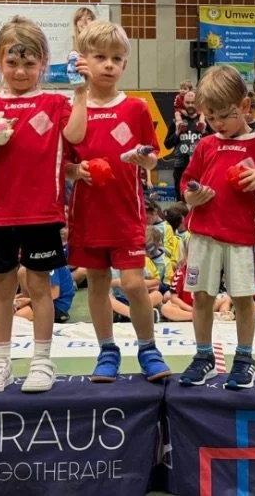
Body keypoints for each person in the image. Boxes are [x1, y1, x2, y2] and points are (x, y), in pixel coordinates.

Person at [0, 16, 86, 394]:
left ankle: (42, 361)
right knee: (3, 289)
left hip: (43, 213)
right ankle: (0, 363)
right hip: (0, 214)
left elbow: (77, 135)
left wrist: (80, 92)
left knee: (40, 286)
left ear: (43, 63)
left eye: (29, 63)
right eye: (11, 62)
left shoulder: (55, 103)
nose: (20, 70)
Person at [64, 21, 172, 383]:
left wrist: (145, 160)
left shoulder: (136, 109)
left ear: (125, 63)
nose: (109, 65)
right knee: (96, 283)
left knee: (134, 283)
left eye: (117, 58)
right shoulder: (73, 109)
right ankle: (107, 350)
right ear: (84, 61)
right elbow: (64, 164)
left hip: (126, 213)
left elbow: (152, 157)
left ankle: (148, 349)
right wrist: (76, 171)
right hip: (88, 215)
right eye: (100, 57)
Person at [178, 64, 255, 390]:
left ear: (245, 106)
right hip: (203, 235)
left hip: (241, 238)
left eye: (225, 115)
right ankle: (204, 356)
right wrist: (193, 195)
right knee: (201, 297)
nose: (219, 124)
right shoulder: (206, 145)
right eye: (211, 118)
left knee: (242, 299)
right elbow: (187, 183)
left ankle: (245, 358)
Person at [164, 90, 208, 201]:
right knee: (181, 200)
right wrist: (177, 132)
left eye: (193, 102)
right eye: (187, 102)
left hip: (200, 168)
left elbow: (213, 144)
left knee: (201, 199)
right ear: (183, 103)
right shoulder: (176, 121)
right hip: (181, 167)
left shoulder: (204, 121)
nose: (190, 105)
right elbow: (167, 144)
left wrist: (203, 131)